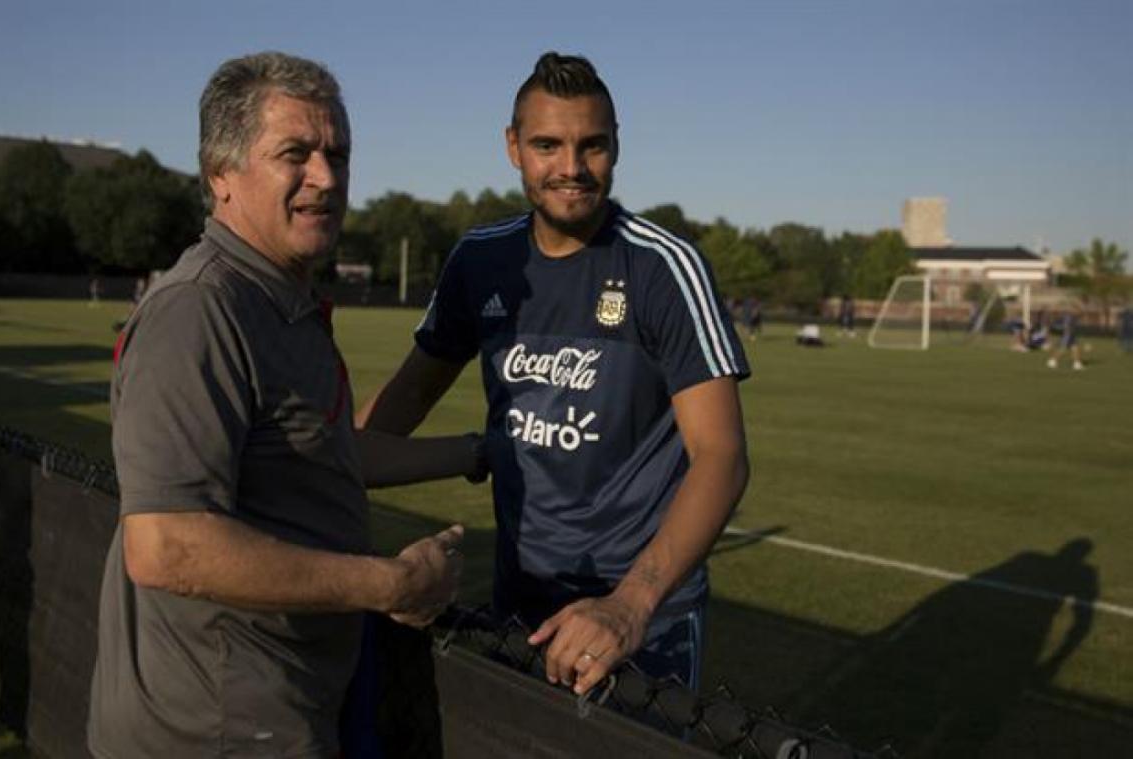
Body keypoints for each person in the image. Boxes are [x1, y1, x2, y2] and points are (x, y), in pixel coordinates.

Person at [89, 52, 478, 758]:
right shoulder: (199, 311)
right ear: (221, 173)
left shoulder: (281, 299)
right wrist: (389, 582)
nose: (327, 178)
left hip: (283, 706)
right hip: (215, 730)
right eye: (295, 154)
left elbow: (327, 453)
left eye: (338, 153)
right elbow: (165, 544)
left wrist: (479, 452)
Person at [358, 52, 749, 697]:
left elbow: (723, 456)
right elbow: (396, 409)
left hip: (639, 617)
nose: (570, 168)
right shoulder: (480, 261)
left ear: (616, 147)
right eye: (547, 145)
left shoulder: (663, 268)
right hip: (521, 600)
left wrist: (630, 604)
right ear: (513, 147)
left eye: (591, 146)